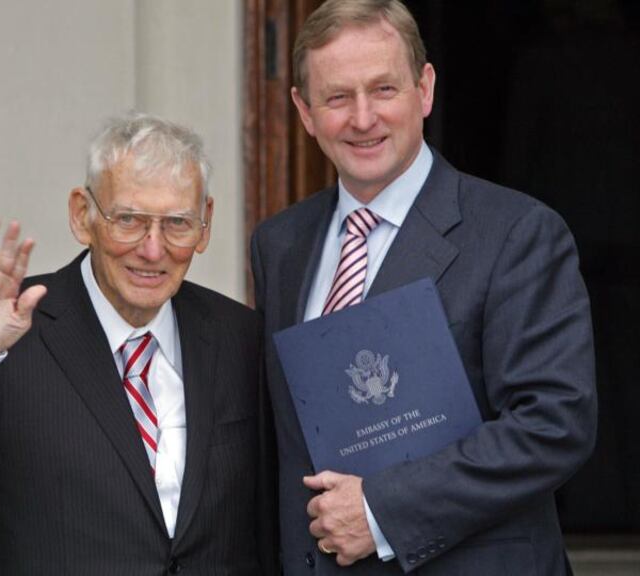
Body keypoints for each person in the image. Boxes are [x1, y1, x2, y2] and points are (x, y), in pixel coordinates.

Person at [250, 0, 597, 573]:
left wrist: (381, 510)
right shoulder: (279, 244)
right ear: (305, 112)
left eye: (383, 89)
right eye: (337, 97)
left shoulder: (516, 233)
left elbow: (553, 424)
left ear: (425, 88)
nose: (363, 118)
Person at [0, 113, 276, 575]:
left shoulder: (240, 338)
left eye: (177, 223)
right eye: (128, 220)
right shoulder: (7, 334)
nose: (153, 250)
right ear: (82, 215)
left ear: (205, 224)